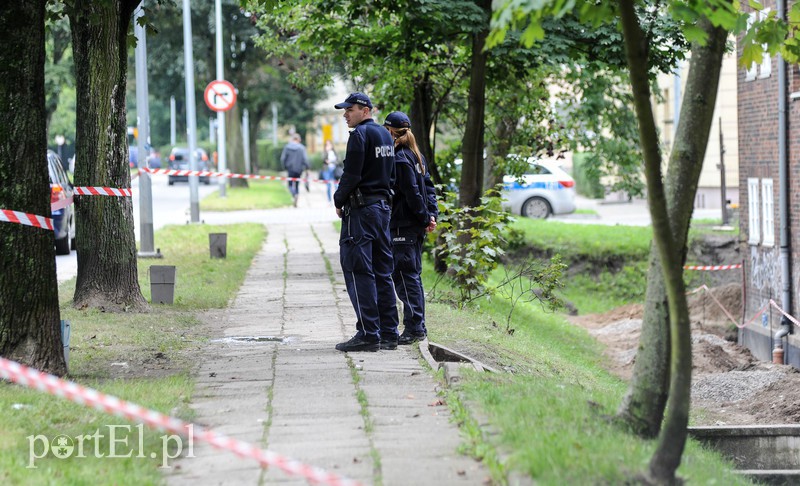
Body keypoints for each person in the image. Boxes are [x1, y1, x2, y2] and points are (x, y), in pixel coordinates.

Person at [333, 92, 400, 352]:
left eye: (349, 109)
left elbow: (352, 175)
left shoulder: (360, 135)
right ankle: (389, 333)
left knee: (358, 270)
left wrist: (339, 200)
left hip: (361, 212)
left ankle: (368, 333)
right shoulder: (385, 135)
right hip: (382, 210)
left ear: (364, 110)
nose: (345, 114)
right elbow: (391, 174)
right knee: (383, 272)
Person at [383, 111, 438, 345]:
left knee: (405, 278)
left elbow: (414, 194)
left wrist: (426, 216)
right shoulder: (416, 155)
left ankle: (414, 328)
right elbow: (429, 187)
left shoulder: (399, 158)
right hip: (413, 225)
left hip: (403, 227)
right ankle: (418, 326)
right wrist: (432, 214)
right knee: (412, 276)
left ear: (390, 131)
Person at [280, 133, 309, 207]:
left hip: (290, 169)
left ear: (292, 139)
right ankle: (296, 194)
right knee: (297, 184)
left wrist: (285, 167)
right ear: (298, 139)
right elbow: (305, 159)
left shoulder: (287, 147)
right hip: (299, 169)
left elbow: (282, 159)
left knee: (289, 184)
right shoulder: (302, 148)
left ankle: (293, 194)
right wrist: (307, 168)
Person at [321, 139, 338, 204]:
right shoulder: (324, 152)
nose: (328, 146)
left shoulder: (334, 152)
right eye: (327, 144)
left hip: (334, 169)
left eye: (329, 144)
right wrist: (327, 151)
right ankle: (329, 200)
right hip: (327, 170)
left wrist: (332, 161)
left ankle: (337, 200)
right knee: (328, 185)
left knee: (336, 185)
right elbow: (323, 159)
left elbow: (338, 160)